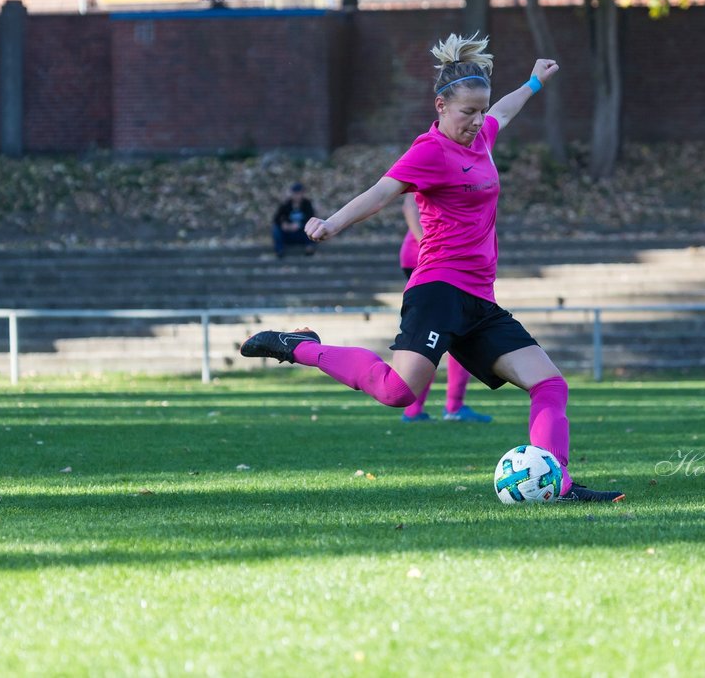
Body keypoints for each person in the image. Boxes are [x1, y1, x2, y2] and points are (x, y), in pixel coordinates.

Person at [241, 33, 623, 502]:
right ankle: (298, 347)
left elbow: (504, 111)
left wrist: (533, 83)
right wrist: (332, 223)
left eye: (480, 110)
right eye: (468, 112)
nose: (478, 120)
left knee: (549, 383)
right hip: (438, 290)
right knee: (397, 391)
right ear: (441, 105)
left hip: (480, 300)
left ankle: (557, 482)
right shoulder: (429, 151)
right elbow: (382, 192)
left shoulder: (482, 136)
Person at [398, 192, 492, 424]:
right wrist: (426, 248)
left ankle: (425, 408)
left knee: (451, 333)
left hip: (443, 257)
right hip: (433, 258)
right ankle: (446, 406)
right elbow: (409, 205)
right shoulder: (434, 157)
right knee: (455, 332)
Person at [272, 182, 315, 258]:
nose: (297, 196)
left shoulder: (307, 204)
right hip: (288, 233)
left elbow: (311, 217)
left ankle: (309, 247)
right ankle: (279, 250)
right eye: (295, 193)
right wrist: (284, 224)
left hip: (302, 233)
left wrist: (299, 225)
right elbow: (276, 218)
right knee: (275, 229)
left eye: (299, 193)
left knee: (312, 226)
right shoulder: (286, 205)